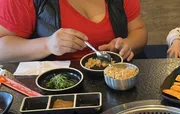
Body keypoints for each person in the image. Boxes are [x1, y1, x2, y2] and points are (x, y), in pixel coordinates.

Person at [0, 0, 148, 62]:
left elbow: (139, 30)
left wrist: (126, 45)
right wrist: (47, 45)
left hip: (116, 79)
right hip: (54, 88)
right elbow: (3, 48)